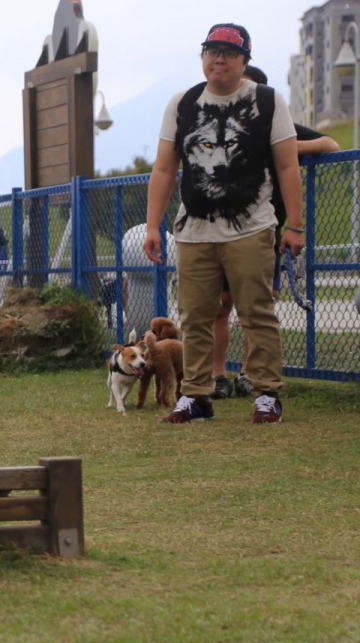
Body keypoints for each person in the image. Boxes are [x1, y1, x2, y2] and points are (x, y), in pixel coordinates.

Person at [144, 23, 304, 424]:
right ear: (202, 58)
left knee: (257, 312)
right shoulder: (182, 104)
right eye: (212, 50)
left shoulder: (267, 101)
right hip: (194, 230)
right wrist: (151, 225)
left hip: (251, 226)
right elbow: (164, 169)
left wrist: (295, 225)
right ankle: (196, 395)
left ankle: (266, 393)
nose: (219, 58)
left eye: (229, 53)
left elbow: (287, 165)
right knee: (194, 316)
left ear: (244, 61)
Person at [209, 64, 340, 399]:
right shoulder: (221, 129)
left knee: (258, 306)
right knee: (220, 306)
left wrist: (279, 148)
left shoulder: (283, 129)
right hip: (220, 229)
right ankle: (217, 375)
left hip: (263, 231)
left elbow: (330, 145)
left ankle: (251, 375)